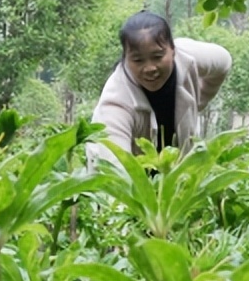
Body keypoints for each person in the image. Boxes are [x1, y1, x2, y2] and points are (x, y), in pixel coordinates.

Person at [88, 11, 231, 170]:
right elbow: (116, 174)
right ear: (125, 59)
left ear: (173, 50)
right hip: (135, 178)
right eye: (138, 60)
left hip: (176, 171)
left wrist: (199, 102)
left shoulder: (189, 57)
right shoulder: (116, 102)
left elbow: (223, 62)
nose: (149, 68)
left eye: (157, 57)